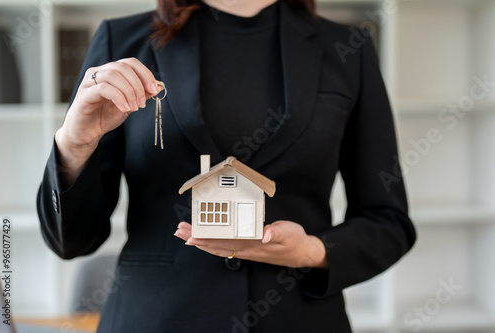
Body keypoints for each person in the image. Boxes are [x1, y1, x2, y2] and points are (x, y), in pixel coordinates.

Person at [37, 0, 416, 332]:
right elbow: (70, 241)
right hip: (156, 319)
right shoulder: (122, 41)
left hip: (297, 317)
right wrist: (75, 143)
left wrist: (312, 251)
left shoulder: (347, 49)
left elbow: (389, 222)